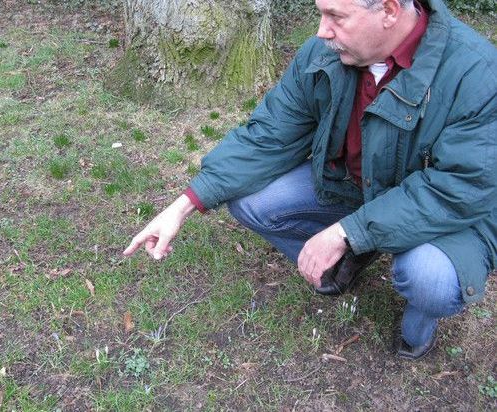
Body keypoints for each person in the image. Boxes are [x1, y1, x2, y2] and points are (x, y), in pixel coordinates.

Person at [123, 0, 497, 359]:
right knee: (251, 201)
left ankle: (417, 329)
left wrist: (346, 232)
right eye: (320, 13)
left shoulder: (476, 73)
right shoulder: (325, 53)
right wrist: (185, 203)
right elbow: (269, 134)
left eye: (335, 15)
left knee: (427, 276)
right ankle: (350, 258)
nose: (321, 31)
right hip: (355, 189)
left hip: (445, 216)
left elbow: (460, 188)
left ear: (388, 11)